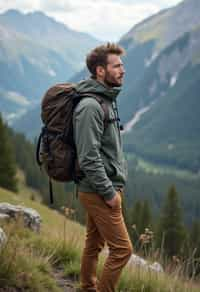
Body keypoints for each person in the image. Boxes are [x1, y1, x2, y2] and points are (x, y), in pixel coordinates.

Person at [73, 43, 133, 292]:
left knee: (94, 244)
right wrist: (109, 193)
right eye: (117, 66)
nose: (123, 70)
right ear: (100, 71)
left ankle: (87, 287)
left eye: (122, 65)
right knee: (122, 250)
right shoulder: (90, 106)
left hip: (103, 186)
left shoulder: (106, 98)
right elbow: (88, 156)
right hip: (99, 190)